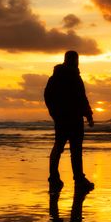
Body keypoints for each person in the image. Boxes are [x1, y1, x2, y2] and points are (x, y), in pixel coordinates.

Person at [44, 50, 94, 191]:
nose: (76, 62)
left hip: (65, 119)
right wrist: (88, 116)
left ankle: (56, 178)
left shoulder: (55, 78)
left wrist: (55, 114)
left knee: (60, 148)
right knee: (73, 150)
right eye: (75, 59)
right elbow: (82, 99)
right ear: (73, 60)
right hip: (71, 119)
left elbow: (48, 98)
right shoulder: (72, 78)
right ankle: (76, 179)